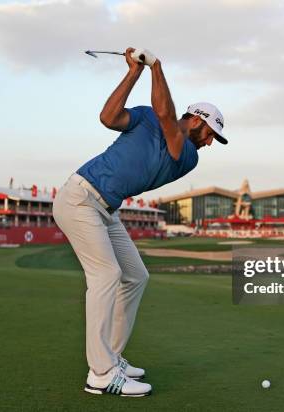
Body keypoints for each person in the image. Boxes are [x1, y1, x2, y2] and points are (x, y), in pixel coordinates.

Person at [52, 47, 228, 397]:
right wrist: (136, 71)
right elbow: (108, 117)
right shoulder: (148, 117)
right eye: (210, 133)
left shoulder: (187, 155)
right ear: (196, 119)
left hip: (106, 210)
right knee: (106, 275)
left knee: (136, 275)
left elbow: (166, 117)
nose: (210, 143)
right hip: (80, 198)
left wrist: (156, 68)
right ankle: (100, 374)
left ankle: (111, 357)